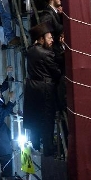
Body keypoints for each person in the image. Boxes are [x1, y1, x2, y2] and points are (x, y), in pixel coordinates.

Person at [23, 22, 61, 157]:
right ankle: (49, 150)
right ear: (41, 38)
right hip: (45, 89)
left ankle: (36, 145)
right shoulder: (46, 54)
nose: (52, 40)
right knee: (47, 120)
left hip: (32, 88)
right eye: (49, 38)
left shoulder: (30, 50)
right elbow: (56, 72)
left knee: (35, 119)